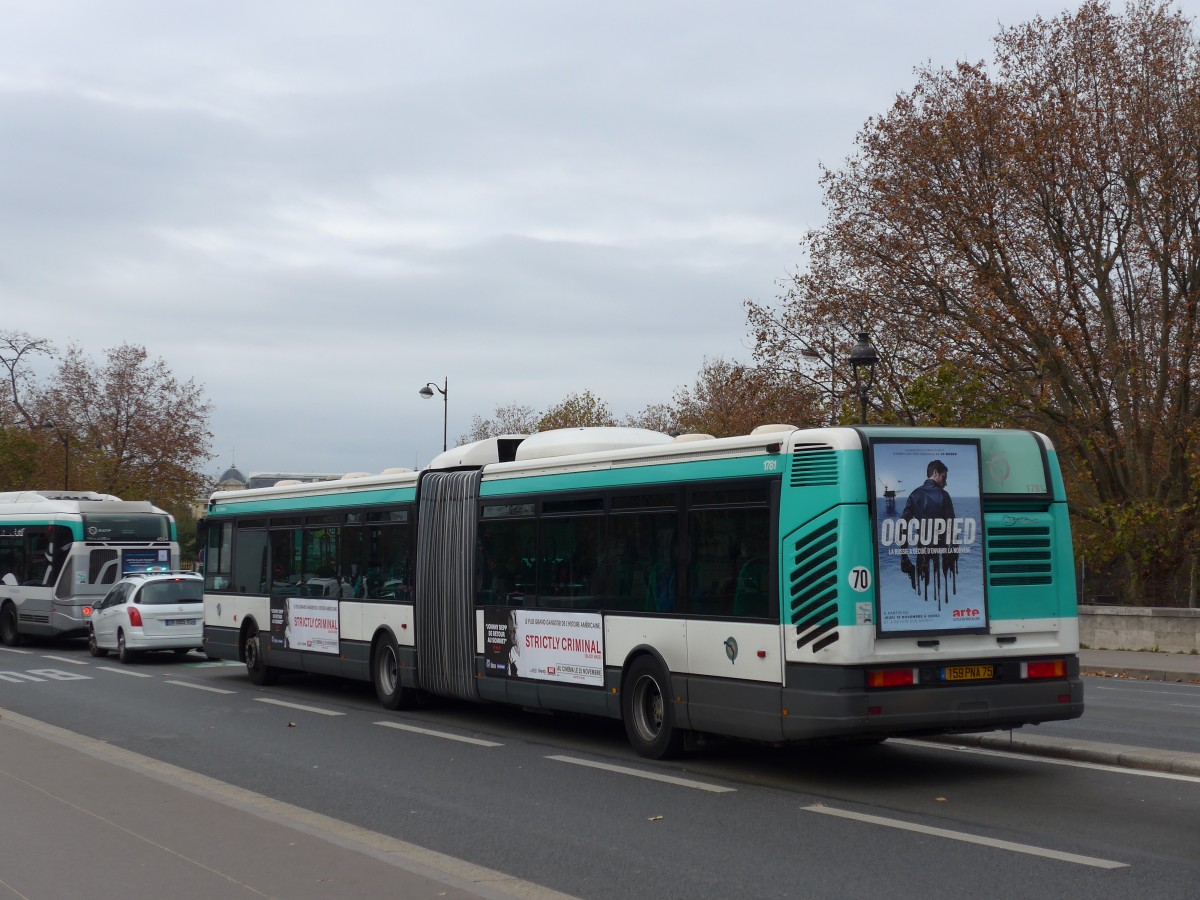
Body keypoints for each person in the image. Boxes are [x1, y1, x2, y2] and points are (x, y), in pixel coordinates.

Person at [899, 459, 958, 604]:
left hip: (922, 550)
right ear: (936, 473)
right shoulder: (944, 496)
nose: (945, 482)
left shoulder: (914, 494)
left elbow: (902, 526)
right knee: (943, 592)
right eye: (944, 477)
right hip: (942, 552)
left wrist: (904, 557)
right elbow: (952, 526)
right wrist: (954, 552)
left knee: (921, 591)